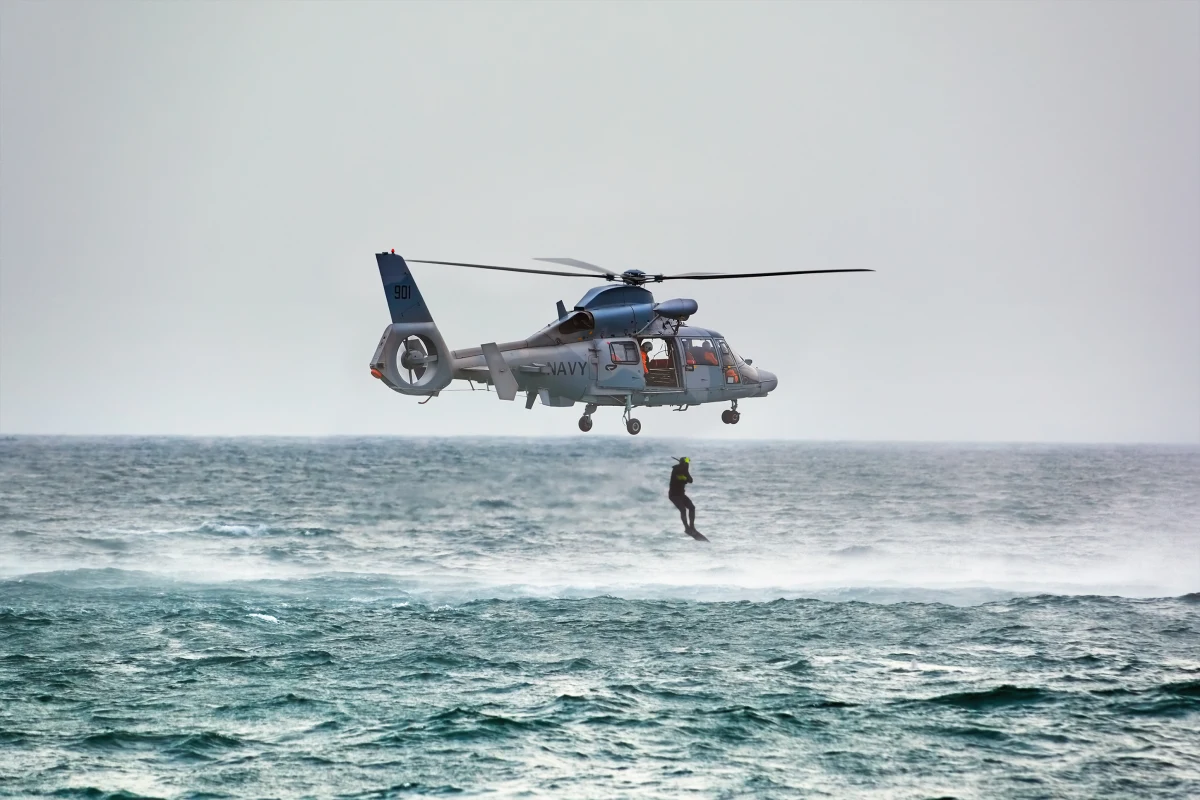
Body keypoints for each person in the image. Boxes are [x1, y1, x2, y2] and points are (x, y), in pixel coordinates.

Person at [668, 456, 703, 539]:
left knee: (692, 507)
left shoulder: (684, 470)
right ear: (683, 463)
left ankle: (692, 527)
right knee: (683, 509)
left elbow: (690, 480)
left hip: (681, 495)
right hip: (674, 495)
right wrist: (685, 477)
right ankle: (686, 528)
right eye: (686, 464)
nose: (687, 465)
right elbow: (680, 477)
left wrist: (686, 476)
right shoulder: (676, 469)